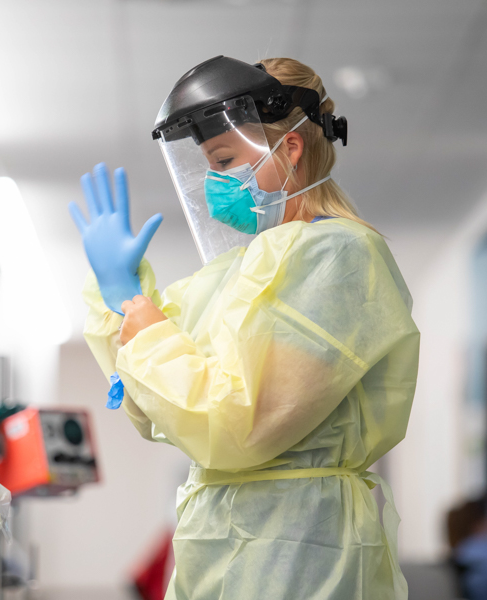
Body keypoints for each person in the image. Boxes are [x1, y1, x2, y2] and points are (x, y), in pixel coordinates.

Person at [70, 56, 420, 600]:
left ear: (291, 148)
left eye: (226, 159)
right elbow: (157, 411)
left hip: (300, 549)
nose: (213, 182)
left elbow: (234, 424)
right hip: (219, 544)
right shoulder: (233, 274)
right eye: (208, 164)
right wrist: (120, 298)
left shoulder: (340, 257)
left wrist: (142, 317)